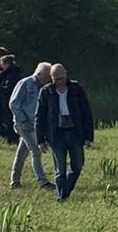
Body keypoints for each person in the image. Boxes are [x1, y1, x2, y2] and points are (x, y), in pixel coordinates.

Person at [36, 64, 94, 202]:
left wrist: (88, 136)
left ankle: (64, 193)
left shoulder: (76, 89)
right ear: (51, 78)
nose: (59, 82)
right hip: (56, 134)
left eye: (61, 78)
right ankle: (61, 197)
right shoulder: (46, 92)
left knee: (78, 165)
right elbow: (39, 116)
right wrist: (40, 140)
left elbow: (86, 112)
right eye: (56, 79)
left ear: (66, 75)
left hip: (75, 132)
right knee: (60, 169)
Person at [9, 62, 55, 190]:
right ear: (39, 74)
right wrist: (23, 120)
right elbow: (14, 103)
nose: (48, 80)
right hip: (23, 124)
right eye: (47, 76)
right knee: (36, 151)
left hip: (35, 124)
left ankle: (14, 181)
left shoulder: (44, 87)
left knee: (22, 153)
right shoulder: (25, 83)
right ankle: (43, 182)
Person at [0, 54, 22, 144]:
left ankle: (12, 139)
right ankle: (11, 138)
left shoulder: (12, 73)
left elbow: (9, 88)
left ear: (6, 64)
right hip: (8, 99)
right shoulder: (11, 72)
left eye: (2, 64)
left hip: (9, 99)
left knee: (9, 119)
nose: (1, 66)